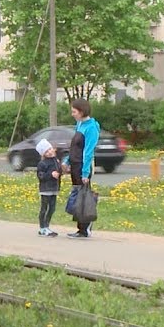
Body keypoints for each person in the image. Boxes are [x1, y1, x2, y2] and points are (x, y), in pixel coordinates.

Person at [64, 99, 101, 238]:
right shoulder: (79, 124)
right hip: (75, 165)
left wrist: (85, 173)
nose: (72, 114)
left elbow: (88, 151)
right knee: (77, 195)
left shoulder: (91, 127)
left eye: (74, 111)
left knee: (83, 196)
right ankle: (81, 228)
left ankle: (85, 227)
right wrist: (67, 161)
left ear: (81, 111)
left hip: (83, 166)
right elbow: (74, 146)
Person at [35, 139, 62, 237]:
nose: (50, 152)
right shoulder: (42, 163)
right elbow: (40, 176)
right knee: (44, 208)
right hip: (46, 190)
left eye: (50, 149)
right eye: (46, 151)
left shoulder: (56, 161)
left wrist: (62, 170)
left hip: (54, 189)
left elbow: (59, 172)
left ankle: (47, 226)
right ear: (43, 154)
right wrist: (50, 174)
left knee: (52, 208)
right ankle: (42, 228)